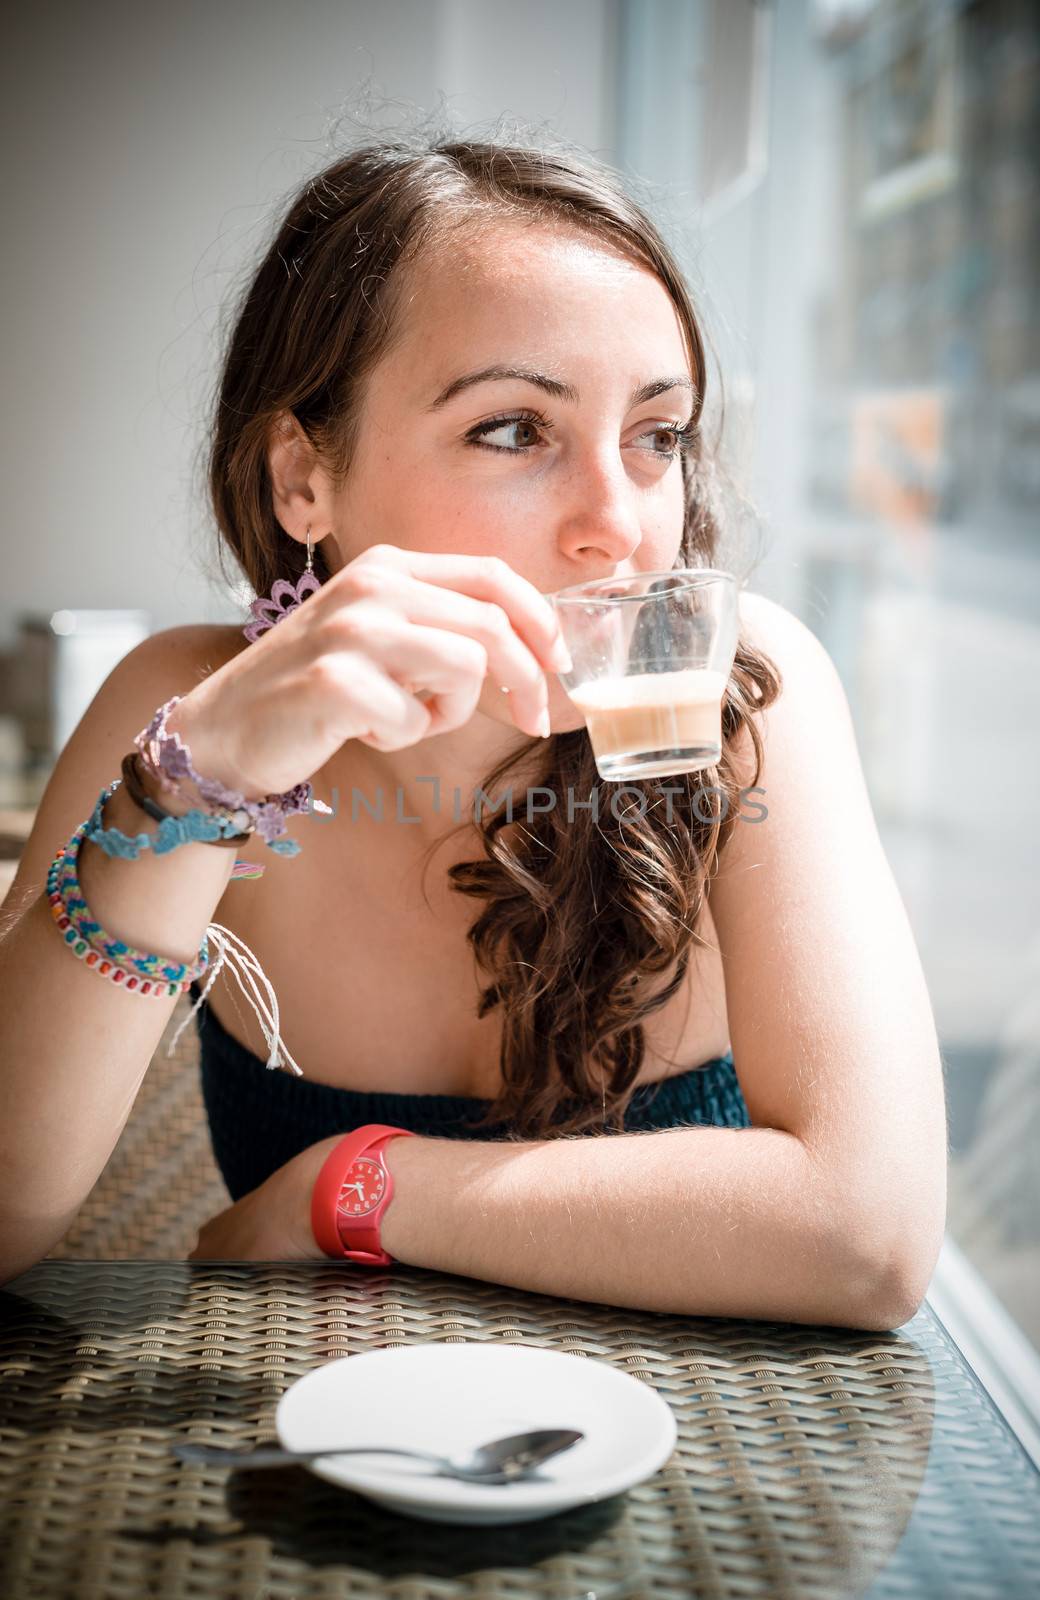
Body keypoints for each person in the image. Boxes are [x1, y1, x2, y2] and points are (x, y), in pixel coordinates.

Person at [0, 131, 947, 1326]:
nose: (621, 526)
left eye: (658, 436)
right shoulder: (181, 713)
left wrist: (353, 1189)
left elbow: (867, 1238)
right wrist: (197, 784)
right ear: (304, 479)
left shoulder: (744, 695)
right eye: (514, 430)